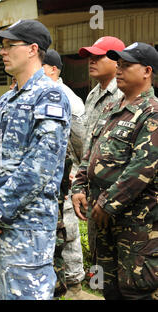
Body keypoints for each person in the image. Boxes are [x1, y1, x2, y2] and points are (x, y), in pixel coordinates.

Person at [0, 20, 71, 300]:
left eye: (9, 45)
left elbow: (40, 166)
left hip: (28, 231)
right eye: (2, 46)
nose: (2, 52)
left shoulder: (50, 95)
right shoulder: (6, 101)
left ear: (32, 49)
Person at [72, 42, 158, 300]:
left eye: (127, 65)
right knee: (108, 289)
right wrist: (78, 188)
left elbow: (143, 167)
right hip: (102, 223)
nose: (119, 70)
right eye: (118, 64)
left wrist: (108, 203)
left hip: (135, 226)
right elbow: (90, 151)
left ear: (147, 71)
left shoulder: (152, 112)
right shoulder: (111, 108)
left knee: (137, 291)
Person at [72, 36, 125, 266]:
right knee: (101, 263)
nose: (91, 61)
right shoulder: (93, 95)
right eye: (90, 57)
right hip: (93, 192)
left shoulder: (125, 94)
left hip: (119, 195)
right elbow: (88, 144)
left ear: (116, 61)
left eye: (98, 56)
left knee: (126, 267)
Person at [42, 49, 86, 297]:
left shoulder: (69, 100)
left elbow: (83, 146)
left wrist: (77, 174)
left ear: (53, 69)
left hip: (65, 185)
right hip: (46, 190)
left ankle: (75, 288)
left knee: (67, 237)